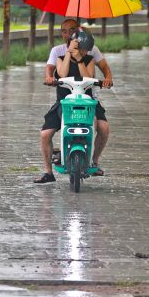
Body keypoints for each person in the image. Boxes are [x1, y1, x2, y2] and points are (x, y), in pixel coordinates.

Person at [35, 23, 111, 183]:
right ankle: (48, 172)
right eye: (81, 49)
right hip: (64, 103)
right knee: (45, 134)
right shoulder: (60, 57)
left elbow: (88, 76)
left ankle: (94, 161)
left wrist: (79, 59)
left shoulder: (89, 59)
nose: (84, 52)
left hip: (88, 103)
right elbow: (61, 74)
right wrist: (69, 54)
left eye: (85, 50)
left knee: (103, 128)